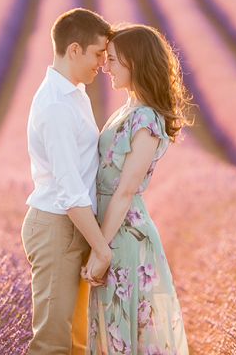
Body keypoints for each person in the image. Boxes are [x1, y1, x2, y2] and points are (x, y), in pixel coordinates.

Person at [82, 23, 194, 355]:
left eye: (113, 60)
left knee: (123, 327)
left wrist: (100, 249)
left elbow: (125, 191)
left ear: (135, 63)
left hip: (125, 237)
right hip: (108, 229)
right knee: (111, 325)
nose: (106, 66)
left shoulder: (146, 119)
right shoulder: (127, 110)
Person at [21, 7, 115, 354]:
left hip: (73, 226)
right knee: (52, 343)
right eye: (97, 54)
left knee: (78, 342)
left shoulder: (75, 94)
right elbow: (70, 190)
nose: (102, 64)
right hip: (57, 227)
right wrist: (102, 249)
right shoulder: (57, 105)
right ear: (74, 49)